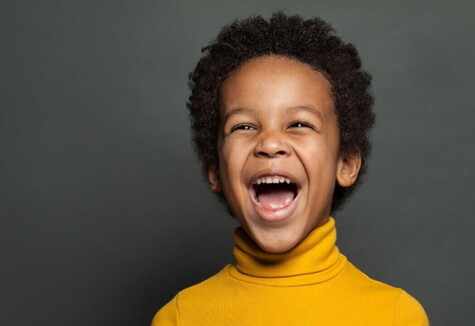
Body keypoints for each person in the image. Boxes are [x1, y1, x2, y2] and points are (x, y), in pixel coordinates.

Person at [152, 12, 429, 326]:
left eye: (299, 124)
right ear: (214, 170)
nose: (270, 144)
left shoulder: (395, 316)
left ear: (346, 163)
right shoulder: (180, 317)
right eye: (243, 126)